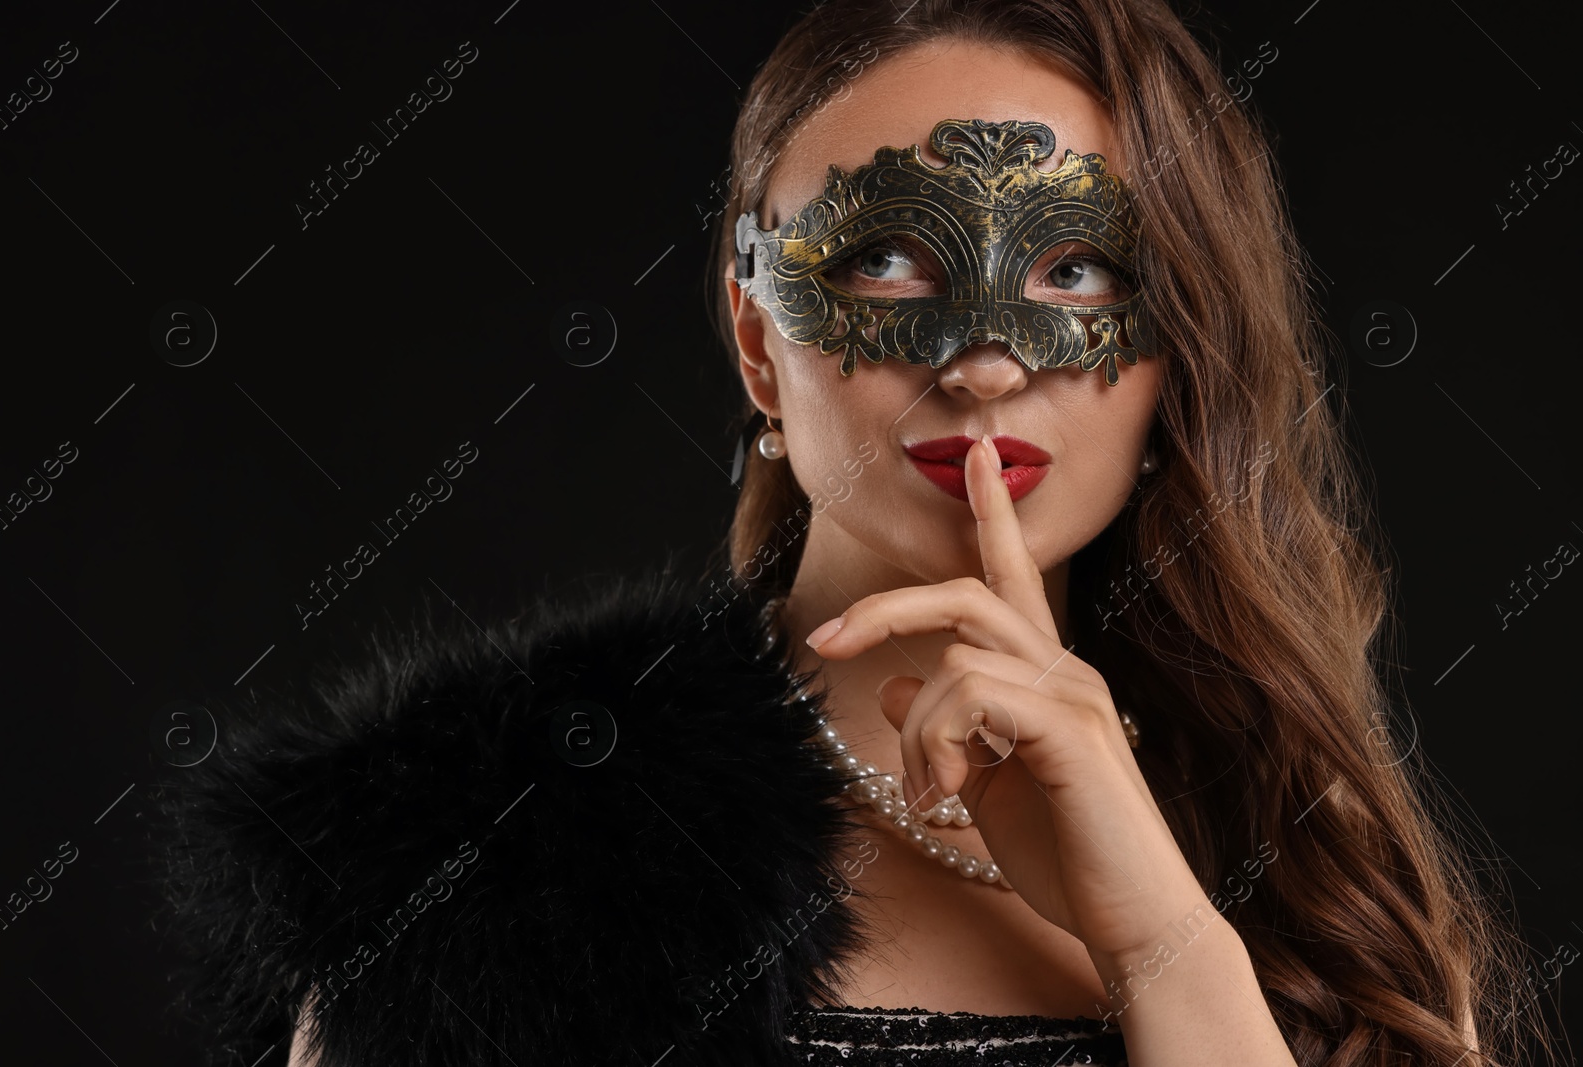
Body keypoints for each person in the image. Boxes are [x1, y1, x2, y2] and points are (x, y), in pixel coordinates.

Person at [156, 2, 1564, 1065]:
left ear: (1179, 349)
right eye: (887, 257)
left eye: (1075, 268)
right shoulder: (476, 853)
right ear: (758, 343)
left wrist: (1168, 947)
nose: (984, 361)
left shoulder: (1311, 861)